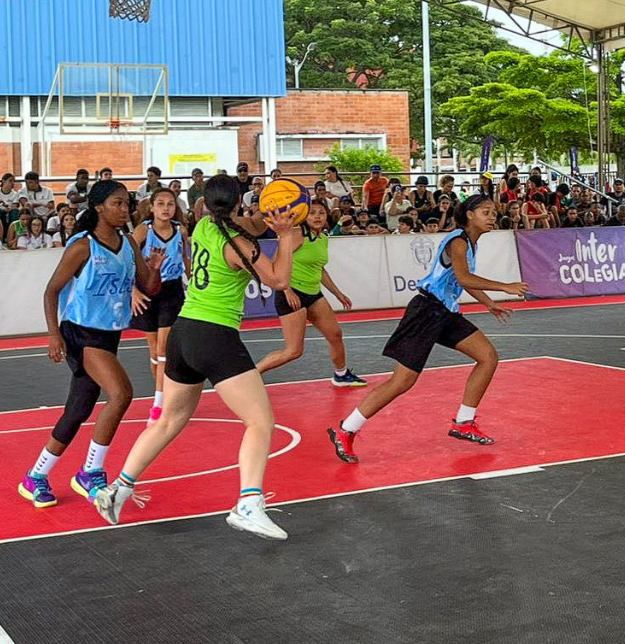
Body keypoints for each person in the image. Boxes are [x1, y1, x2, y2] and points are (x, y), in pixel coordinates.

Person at [92, 175, 295, 540]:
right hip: (214, 335)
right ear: (237, 203)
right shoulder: (238, 246)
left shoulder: (203, 226)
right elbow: (279, 280)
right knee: (260, 421)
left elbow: (247, 224)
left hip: (183, 333)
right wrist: (286, 239)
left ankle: (117, 490)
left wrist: (268, 217)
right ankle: (248, 503)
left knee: (168, 420)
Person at [328, 196, 529, 463]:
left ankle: (463, 421)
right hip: (426, 311)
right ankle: (346, 429)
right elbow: (464, 277)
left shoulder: (470, 243)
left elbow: (463, 281)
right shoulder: (458, 241)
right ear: (469, 215)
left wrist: (489, 303)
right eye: (485, 212)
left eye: (493, 212)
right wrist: (504, 287)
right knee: (402, 381)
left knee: (488, 357)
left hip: (445, 312)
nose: (492, 216)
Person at [17, 180, 163, 509]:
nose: (125, 209)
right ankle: (90, 471)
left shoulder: (128, 243)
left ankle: (35, 476)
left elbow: (150, 289)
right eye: (117, 203)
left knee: (78, 410)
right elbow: (51, 291)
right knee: (121, 393)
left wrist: (153, 269)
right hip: (80, 332)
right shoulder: (83, 246)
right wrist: (54, 335)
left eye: (127, 203)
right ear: (99, 207)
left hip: (108, 333)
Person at [256, 200, 365, 386]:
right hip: (291, 294)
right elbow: (275, 264)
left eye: (321, 213)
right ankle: (249, 375)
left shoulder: (323, 238)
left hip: (313, 294)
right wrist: (286, 290)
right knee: (293, 351)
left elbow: (320, 269)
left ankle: (341, 375)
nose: (317, 216)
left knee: (335, 334)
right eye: (312, 212)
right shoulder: (297, 235)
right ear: (305, 216)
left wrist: (338, 293)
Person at [129, 189, 192, 427]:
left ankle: (158, 404)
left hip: (171, 290)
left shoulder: (181, 232)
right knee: (154, 350)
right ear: (152, 207)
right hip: (146, 289)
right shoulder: (143, 230)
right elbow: (127, 257)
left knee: (164, 349)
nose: (166, 208)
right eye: (160, 204)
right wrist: (133, 290)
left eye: (170, 204)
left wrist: (193, 279)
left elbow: (185, 259)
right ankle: (163, 397)